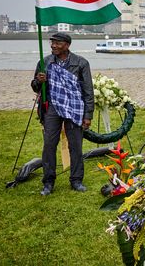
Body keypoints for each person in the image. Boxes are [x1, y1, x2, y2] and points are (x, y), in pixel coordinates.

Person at [31, 32, 94, 196]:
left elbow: (88, 91)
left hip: (74, 108)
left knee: (76, 145)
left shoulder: (81, 63)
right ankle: (48, 182)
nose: (53, 46)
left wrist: (87, 116)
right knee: (49, 145)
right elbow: (35, 87)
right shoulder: (45, 62)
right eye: (52, 43)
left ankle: (76, 180)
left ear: (67, 45)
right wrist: (39, 80)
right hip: (52, 108)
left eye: (57, 43)